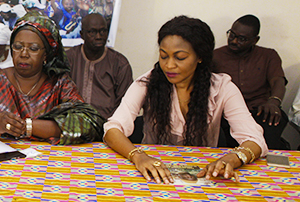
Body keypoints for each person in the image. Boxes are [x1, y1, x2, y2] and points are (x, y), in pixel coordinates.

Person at [103, 16, 268, 184]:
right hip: (154, 174)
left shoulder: (222, 88)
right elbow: (112, 129)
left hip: (203, 176)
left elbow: (255, 140)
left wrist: (230, 160)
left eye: (180, 57)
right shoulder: (147, 83)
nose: (169, 65)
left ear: (200, 57)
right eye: (163, 56)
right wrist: (138, 157)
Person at [0, 12, 104, 145]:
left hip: (47, 166)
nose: (23, 54)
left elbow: (91, 123)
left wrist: (28, 126)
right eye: (17, 47)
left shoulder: (59, 84)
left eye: (33, 49)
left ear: (46, 54)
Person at [213, 15, 289, 150]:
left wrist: (273, 102)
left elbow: (278, 80)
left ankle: (269, 167)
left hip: (260, 111)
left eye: (242, 39)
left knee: (274, 120)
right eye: (232, 34)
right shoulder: (215, 56)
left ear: (255, 40)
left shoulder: (268, 56)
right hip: (227, 114)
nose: (234, 41)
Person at [65, 13, 133, 119]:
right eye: (92, 32)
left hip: (106, 128)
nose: (98, 36)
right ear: (82, 34)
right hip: (71, 124)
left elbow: (126, 105)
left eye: (103, 31)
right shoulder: (69, 58)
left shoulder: (119, 64)